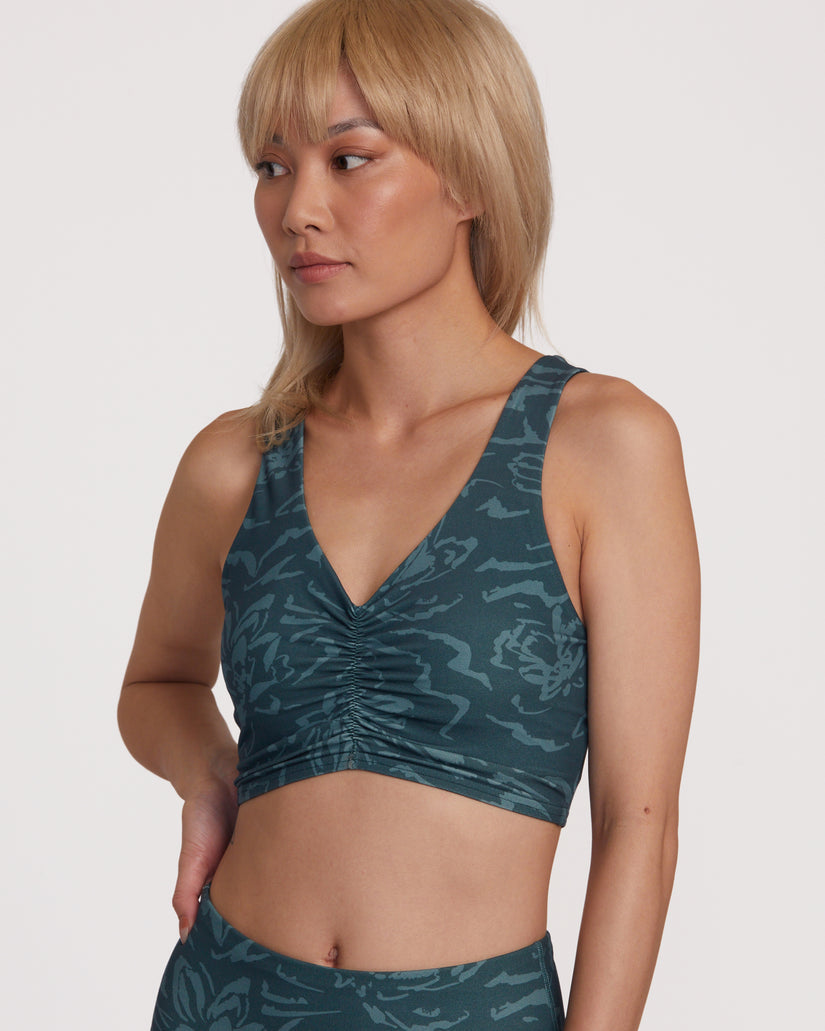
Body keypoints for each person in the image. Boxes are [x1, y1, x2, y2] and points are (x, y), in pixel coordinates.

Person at [118, 0, 700, 1028]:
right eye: (272, 166)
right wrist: (208, 770)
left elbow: (637, 826)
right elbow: (156, 683)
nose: (297, 208)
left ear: (468, 177)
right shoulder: (235, 463)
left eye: (350, 159)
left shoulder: (603, 445)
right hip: (226, 995)